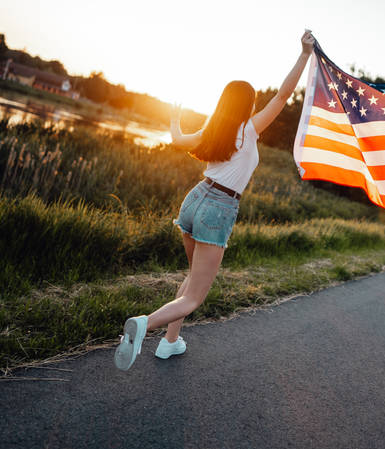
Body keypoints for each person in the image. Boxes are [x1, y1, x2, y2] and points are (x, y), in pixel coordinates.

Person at [114, 30, 315, 371]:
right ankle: (146, 324)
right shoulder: (249, 129)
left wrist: (175, 117)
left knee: (192, 277)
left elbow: (178, 139)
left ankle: (170, 342)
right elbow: (283, 96)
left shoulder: (213, 129)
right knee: (194, 297)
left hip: (194, 200)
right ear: (248, 105)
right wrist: (304, 54)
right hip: (218, 208)